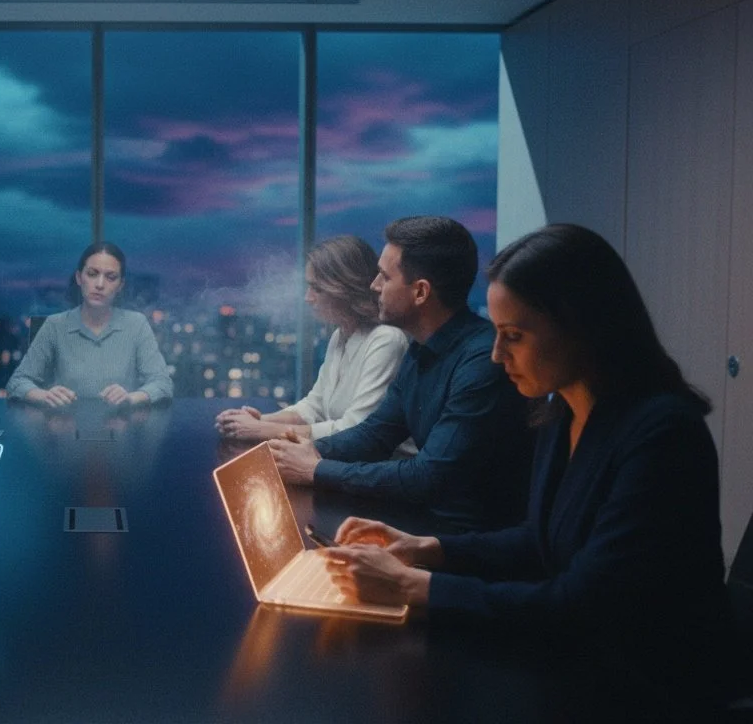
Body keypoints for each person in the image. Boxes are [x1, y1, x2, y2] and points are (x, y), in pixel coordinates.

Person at [320, 223, 733, 715]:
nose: (497, 355)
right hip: (579, 660)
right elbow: (540, 538)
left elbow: (583, 605)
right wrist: (425, 548)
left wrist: (414, 586)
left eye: (513, 336)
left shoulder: (663, 435)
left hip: (640, 690)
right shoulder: (563, 410)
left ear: (580, 328)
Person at [267, 216, 532, 531]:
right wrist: (305, 451)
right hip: (429, 524)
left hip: (464, 540)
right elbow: (375, 434)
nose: (374, 286)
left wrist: (315, 468)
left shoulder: (482, 361)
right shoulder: (421, 348)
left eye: (384, 276)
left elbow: (428, 476)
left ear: (420, 292)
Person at [215, 235, 408, 445]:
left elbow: (356, 430)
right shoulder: (341, 335)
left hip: (382, 464)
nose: (308, 298)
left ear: (343, 289)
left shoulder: (387, 341)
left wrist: (264, 429)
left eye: (317, 288)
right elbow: (313, 407)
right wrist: (260, 420)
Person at [5, 242, 172, 407]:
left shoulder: (136, 324)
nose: (100, 284)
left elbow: (163, 384)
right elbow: (17, 383)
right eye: (92, 274)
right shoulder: (55, 325)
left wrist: (130, 398)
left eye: (111, 277)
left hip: (120, 422)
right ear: (79, 278)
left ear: (120, 285)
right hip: (64, 422)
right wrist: (45, 396)